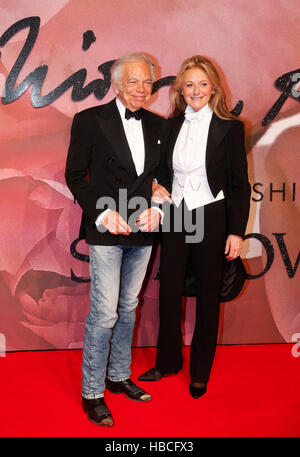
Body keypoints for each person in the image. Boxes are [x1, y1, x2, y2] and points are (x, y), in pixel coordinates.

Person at [138, 55, 251, 398]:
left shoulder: (230, 128)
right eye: (189, 84)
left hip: (211, 215)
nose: (196, 90)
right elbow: (161, 172)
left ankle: (200, 371)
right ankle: (167, 362)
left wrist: (237, 230)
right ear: (180, 90)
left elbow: (240, 185)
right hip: (176, 214)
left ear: (213, 87)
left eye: (203, 84)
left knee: (207, 295)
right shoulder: (169, 126)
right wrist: (156, 190)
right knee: (169, 291)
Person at [65, 52, 166, 426]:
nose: (141, 89)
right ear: (117, 83)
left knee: (128, 308)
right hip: (107, 229)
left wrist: (159, 208)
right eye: (134, 81)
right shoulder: (90, 121)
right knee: (105, 313)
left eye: (147, 82)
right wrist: (104, 213)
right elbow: (75, 175)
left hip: (143, 229)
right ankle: (92, 392)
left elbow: (166, 176)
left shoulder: (159, 126)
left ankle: (118, 375)